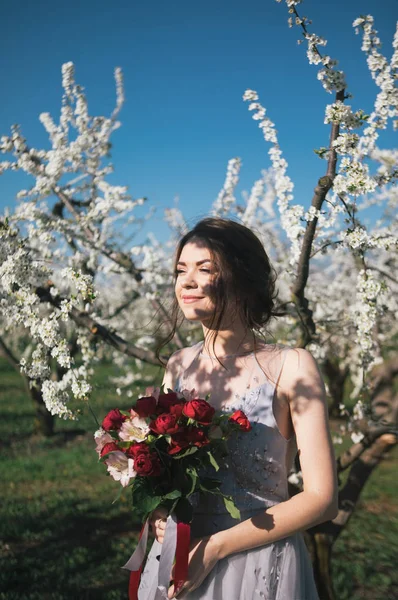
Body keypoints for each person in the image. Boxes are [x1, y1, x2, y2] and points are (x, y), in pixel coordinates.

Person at [138, 217, 338, 599]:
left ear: (243, 279)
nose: (187, 281)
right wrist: (162, 514)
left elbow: (323, 499)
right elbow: (167, 474)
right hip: (180, 559)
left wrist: (214, 549)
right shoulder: (178, 365)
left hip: (258, 560)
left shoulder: (291, 365)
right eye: (181, 270)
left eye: (205, 269)